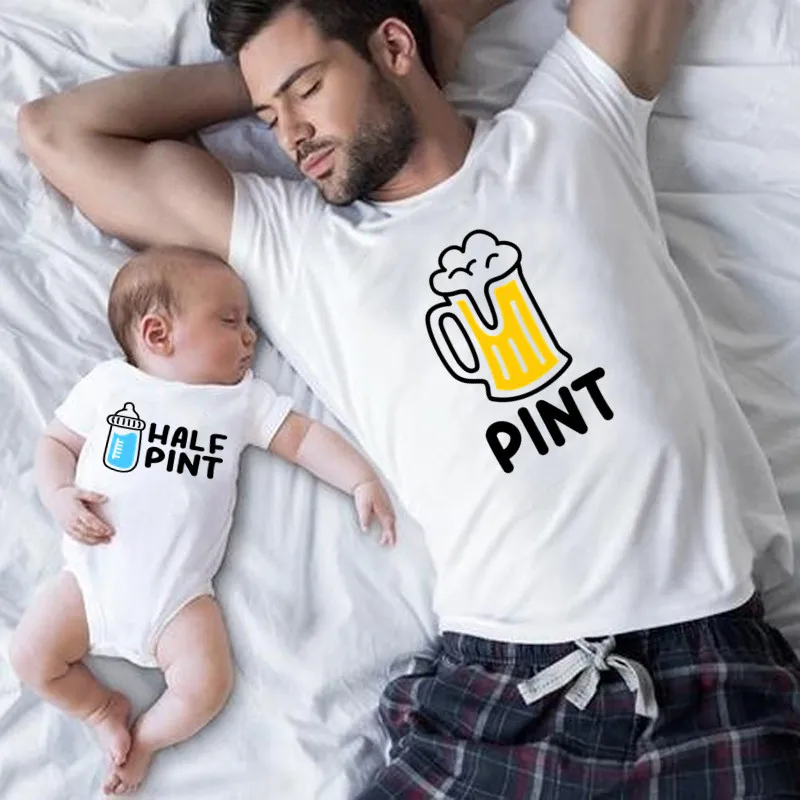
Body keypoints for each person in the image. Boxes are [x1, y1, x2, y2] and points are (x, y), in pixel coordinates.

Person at [16, 0, 800, 795]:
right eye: (268, 114)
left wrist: (434, 16)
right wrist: (265, 73)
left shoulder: (573, 126)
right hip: (494, 697)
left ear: (391, 45)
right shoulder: (297, 248)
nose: (290, 136)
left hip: (709, 682)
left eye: (308, 90)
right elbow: (55, 132)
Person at [8, 246, 397, 796]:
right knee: (29, 656)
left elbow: (304, 439)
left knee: (207, 686)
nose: (250, 337)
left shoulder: (240, 401)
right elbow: (56, 442)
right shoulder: (110, 386)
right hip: (90, 583)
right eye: (229, 321)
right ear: (158, 334)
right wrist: (58, 495)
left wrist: (359, 478)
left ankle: (143, 741)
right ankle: (101, 711)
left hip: (179, 600)